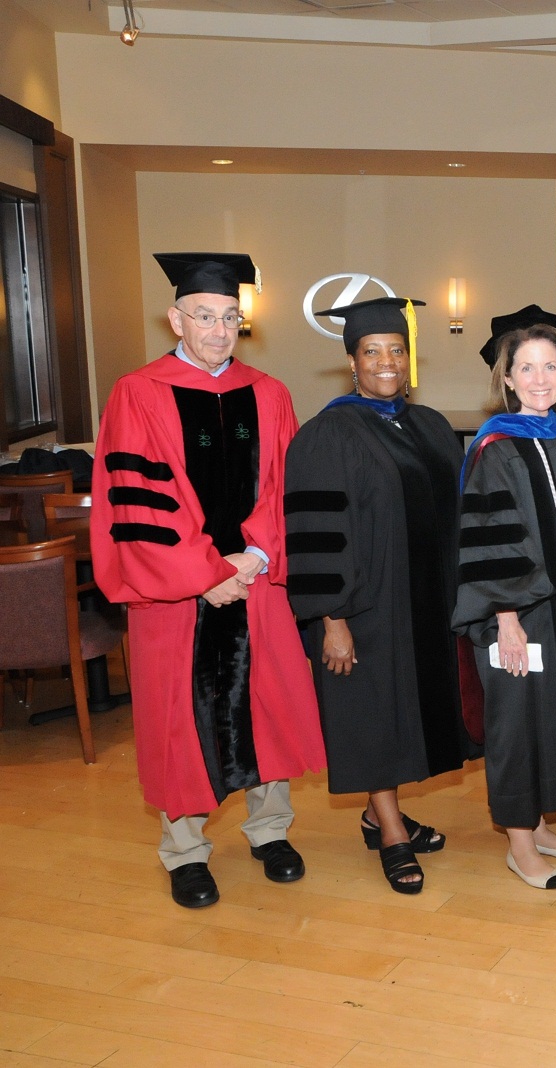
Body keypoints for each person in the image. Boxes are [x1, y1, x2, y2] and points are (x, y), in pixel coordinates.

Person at [90, 252, 324, 909]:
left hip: (255, 583)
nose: (220, 331)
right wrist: (201, 574)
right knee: (177, 718)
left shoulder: (269, 393)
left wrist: (255, 557)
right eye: (205, 317)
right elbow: (136, 504)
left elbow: (285, 488)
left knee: (266, 704)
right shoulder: (138, 393)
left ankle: (270, 830)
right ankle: (185, 850)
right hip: (178, 595)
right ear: (176, 318)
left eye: (230, 318)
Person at [285, 296, 469, 894]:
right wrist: (330, 616)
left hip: (423, 602)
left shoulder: (431, 426)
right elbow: (314, 531)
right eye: (372, 351)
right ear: (351, 360)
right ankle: (390, 831)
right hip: (363, 606)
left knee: (406, 713)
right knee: (372, 714)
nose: (386, 362)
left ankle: (379, 812)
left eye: (397, 350)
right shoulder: (326, 434)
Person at [454, 315, 556, 889]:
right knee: (516, 724)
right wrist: (506, 621)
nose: (540, 378)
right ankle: (520, 845)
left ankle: (539, 825)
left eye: (551, 366)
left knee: (553, 717)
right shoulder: (496, 448)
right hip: (516, 616)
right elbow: (488, 540)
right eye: (527, 368)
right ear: (508, 379)